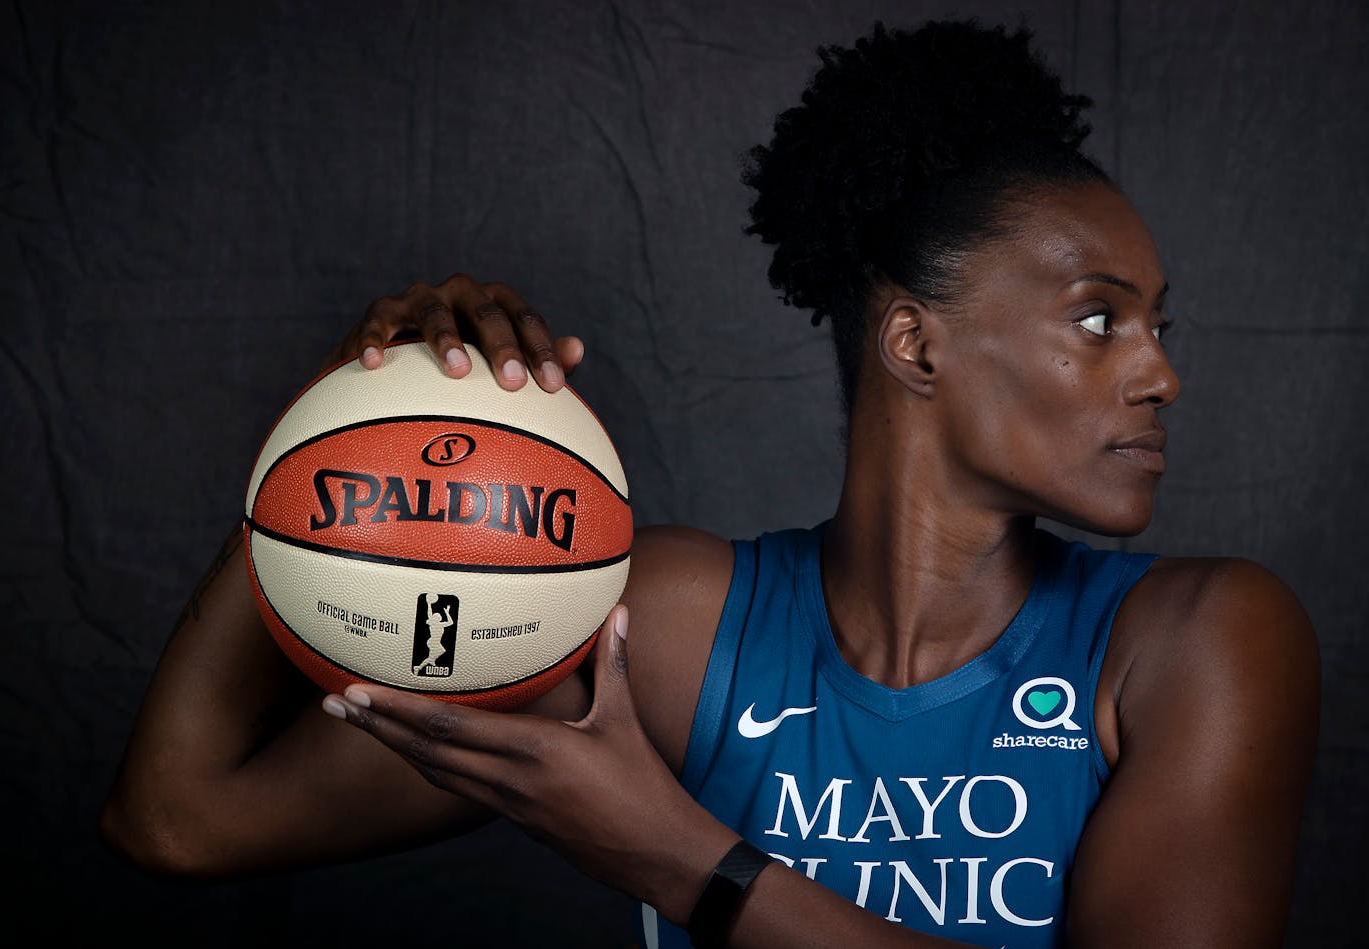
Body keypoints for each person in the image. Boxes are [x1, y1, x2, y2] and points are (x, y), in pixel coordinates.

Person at [100, 19, 1319, 949]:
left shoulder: (1194, 638)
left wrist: (679, 856)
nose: (1160, 372)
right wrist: (331, 450)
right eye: (1099, 319)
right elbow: (181, 817)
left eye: (1158, 322)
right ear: (914, 344)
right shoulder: (668, 625)